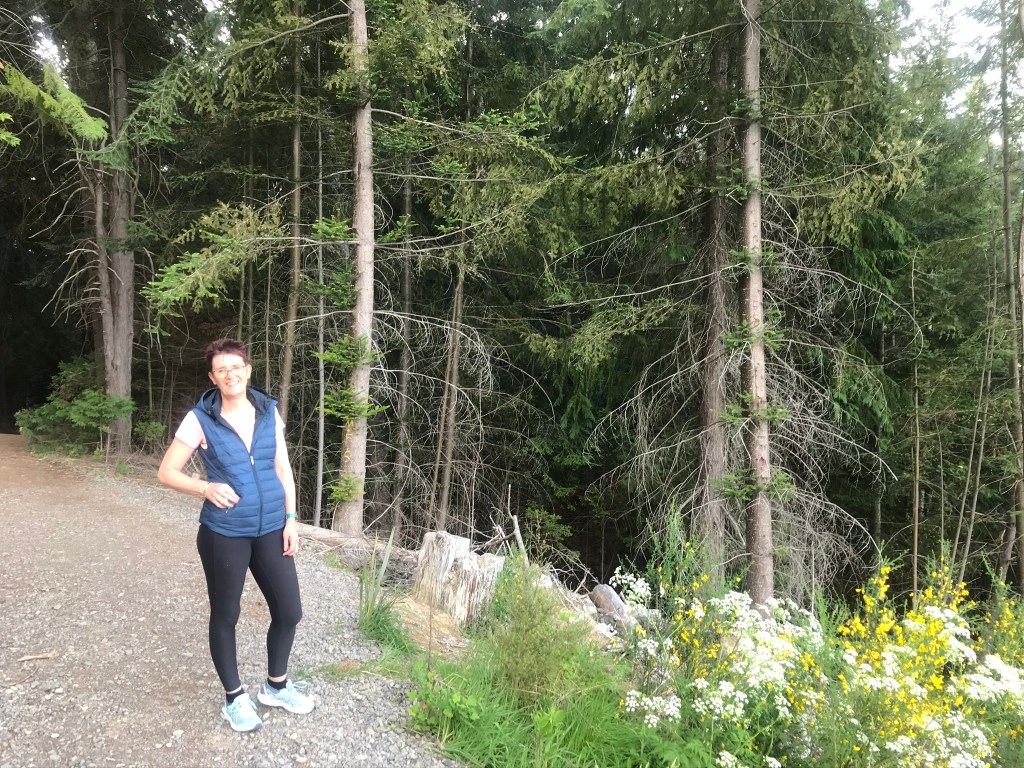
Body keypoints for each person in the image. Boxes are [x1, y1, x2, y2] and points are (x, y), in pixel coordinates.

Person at [158, 338, 314, 732]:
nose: (230, 375)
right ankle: (234, 698)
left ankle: (276, 686)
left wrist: (291, 519)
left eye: (236, 367)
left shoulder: (268, 411)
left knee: (289, 611)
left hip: (272, 528)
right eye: (221, 370)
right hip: (224, 532)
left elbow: (283, 468)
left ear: (247, 370)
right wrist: (204, 487)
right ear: (213, 377)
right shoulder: (199, 419)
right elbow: (167, 472)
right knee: (226, 614)